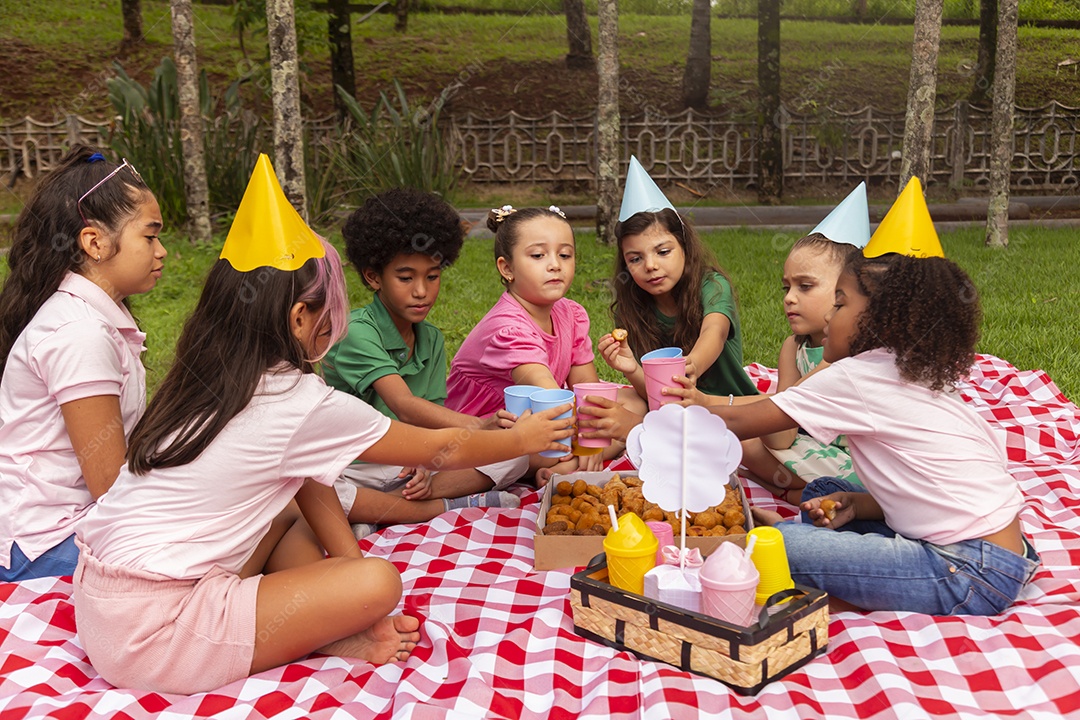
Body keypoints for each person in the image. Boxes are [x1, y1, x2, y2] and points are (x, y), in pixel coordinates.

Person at [71, 156, 573, 695]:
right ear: (298, 319)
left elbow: (311, 481)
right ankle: (312, 628)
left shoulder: (204, 379)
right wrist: (519, 440)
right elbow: (440, 450)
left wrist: (344, 582)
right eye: (329, 313)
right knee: (379, 582)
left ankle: (320, 628)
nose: (337, 324)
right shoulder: (296, 401)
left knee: (301, 527)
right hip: (158, 638)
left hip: (105, 605)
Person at [0, 146, 166, 581]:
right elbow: (110, 485)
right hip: (43, 545)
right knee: (233, 531)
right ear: (95, 242)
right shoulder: (80, 332)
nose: (162, 250)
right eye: (149, 236)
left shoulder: (99, 319)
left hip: (70, 525)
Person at [323, 189, 527, 538]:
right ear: (373, 277)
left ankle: (388, 506)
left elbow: (432, 418)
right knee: (318, 488)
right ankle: (442, 506)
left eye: (432, 276)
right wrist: (478, 426)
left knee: (516, 455)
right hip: (357, 465)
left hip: (411, 461)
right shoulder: (355, 331)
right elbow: (405, 406)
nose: (422, 291)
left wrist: (423, 463)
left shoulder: (430, 338)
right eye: (406, 278)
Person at [446, 205, 643, 482]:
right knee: (523, 449)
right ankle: (568, 463)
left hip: (542, 416)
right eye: (538, 255)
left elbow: (588, 390)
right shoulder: (508, 328)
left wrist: (592, 433)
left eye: (565, 255)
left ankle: (567, 464)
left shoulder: (571, 313)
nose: (555, 264)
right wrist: (588, 440)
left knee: (633, 403)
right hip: (492, 426)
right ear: (507, 268)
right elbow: (551, 396)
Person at [739, 185, 870, 504]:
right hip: (808, 447)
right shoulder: (793, 347)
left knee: (744, 440)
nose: (789, 298)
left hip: (860, 459)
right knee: (744, 441)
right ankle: (796, 490)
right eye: (787, 287)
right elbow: (780, 437)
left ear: (847, 293)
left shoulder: (857, 352)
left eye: (805, 286)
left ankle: (795, 490)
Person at [597, 156, 757, 403]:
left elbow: (715, 332)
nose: (650, 265)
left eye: (663, 252)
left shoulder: (712, 286)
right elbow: (654, 393)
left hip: (728, 403)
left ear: (684, 246)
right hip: (671, 405)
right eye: (635, 259)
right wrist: (630, 369)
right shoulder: (631, 309)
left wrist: (692, 365)